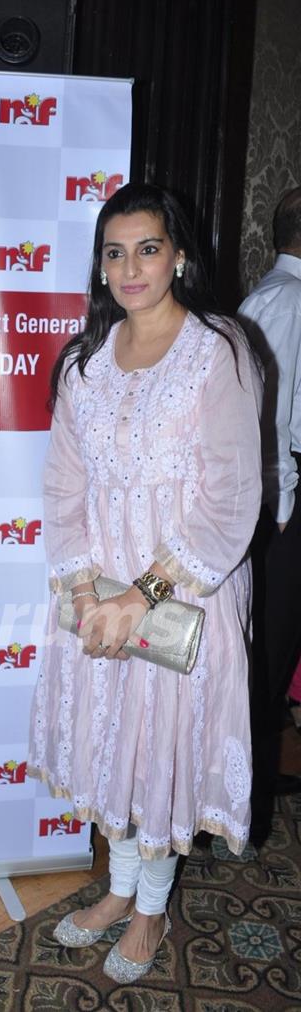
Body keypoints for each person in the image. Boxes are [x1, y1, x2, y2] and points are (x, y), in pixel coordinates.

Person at [28, 183, 262, 983]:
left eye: (149, 248)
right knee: (112, 743)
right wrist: (84, 587)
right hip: (99, 590)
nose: (131, 267)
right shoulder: (85, 361)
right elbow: (61, 482)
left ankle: (152, 908)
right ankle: (119, 886)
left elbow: (231, 496)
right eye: (115, 251)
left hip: (180, 593)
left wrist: (144, 594)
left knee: (160, 749)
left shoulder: (218, 351)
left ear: (181, 256)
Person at [237, 187, 301, 795]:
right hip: (283, 495)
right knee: (267, 649)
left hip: (283, 490)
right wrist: (279, 502)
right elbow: (268, 413)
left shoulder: (281, 295)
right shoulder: (285, 299)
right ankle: (241, 790)